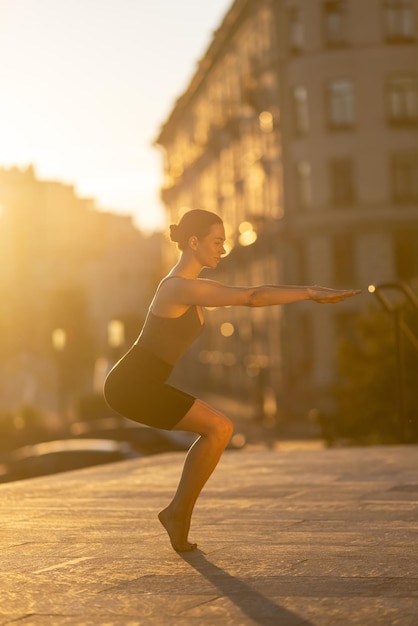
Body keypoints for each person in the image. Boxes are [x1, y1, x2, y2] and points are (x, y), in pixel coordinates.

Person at [104, 209, 361, 552]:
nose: (223, 250)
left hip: (141, 383)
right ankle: (177, 512)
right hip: (130, 385)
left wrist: (310, 292)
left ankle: (177, 513)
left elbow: (253, 294)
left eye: (223, 242)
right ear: (193, 242)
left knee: (218, 429)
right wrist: (312, 292)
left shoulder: (192, 286)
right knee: (219, 428)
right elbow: (252, 297)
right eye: (216, 241)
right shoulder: (178, 288)